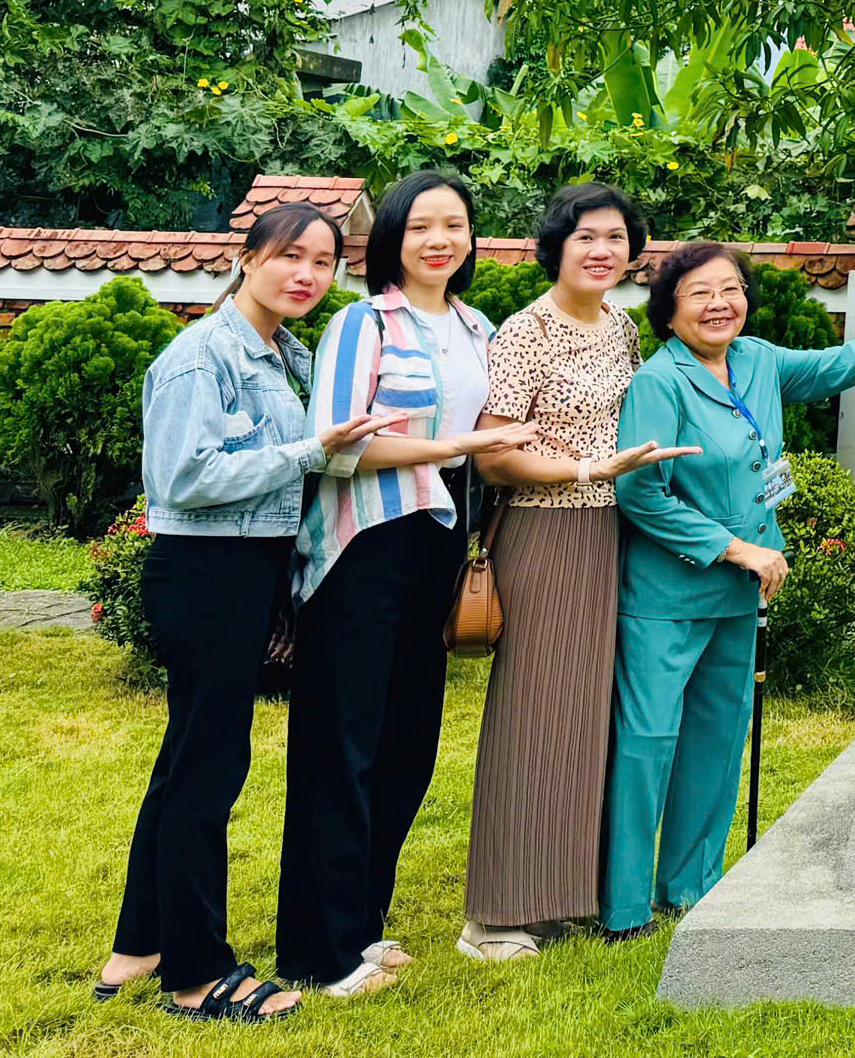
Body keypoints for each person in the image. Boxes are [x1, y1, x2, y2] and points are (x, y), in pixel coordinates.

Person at [602, 243, 855, 937]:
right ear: (668, 310)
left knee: (718, 742)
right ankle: (626, 906)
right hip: (669, 597)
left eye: (730, 288)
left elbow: (840, 365)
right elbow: (641, 494)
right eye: (699, 293)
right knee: (648, 743)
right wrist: (735, 548)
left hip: (743, 592)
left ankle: (691, 885)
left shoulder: (756, 360)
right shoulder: (658, 383)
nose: (719, 303)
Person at [95, 203, 395, 1023]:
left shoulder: (277, 354)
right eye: (290, 256)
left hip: (241, 570)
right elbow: (184, 477)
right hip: (206, 573)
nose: (305, 275)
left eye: (323, 262)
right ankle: (196, 975)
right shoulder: (203, 356)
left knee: (186, 761)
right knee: (208, 773)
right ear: (248, 256)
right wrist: (312, 451)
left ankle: (139, 947)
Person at [275, 171, 535, 997]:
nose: (438, 239)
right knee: (338, 748)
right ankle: (318, 953)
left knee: (406, 746)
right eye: (420, 225)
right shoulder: (362, 322)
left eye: (453, 224)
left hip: (435, 547)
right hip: (364, 547)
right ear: (392, 237)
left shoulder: (474, 326)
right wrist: (447, 447)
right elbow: (338, 444)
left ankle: (363, 926)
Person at [458, 182, 693, 962]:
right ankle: (492, 913)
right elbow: (493, 458)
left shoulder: (623, 329)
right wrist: (588, 467)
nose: (603, 251)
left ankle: (561, 893)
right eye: (587, 236)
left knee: (589, 718)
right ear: (556, 245)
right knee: (534, 715)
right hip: (546, 535)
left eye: (618, 238)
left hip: (611, 536)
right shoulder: (528, 331)